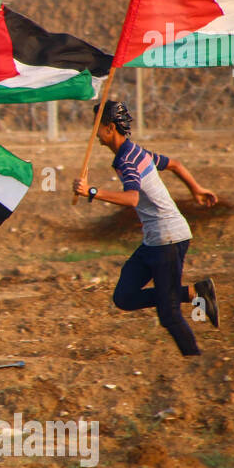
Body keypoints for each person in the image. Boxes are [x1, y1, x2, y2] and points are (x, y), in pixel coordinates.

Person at [72, 101, 220, 355]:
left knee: (169, 315)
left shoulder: (127, 160)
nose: (94, 134)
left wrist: (92, 192)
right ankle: (195, 292)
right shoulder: (135, 152)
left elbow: (132, 198)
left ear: (109, 128)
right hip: (154, 240)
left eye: (96, 127)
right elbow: (175, 164)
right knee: (124, 297)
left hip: (169, 238)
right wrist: (196, 189)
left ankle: (195, 362)